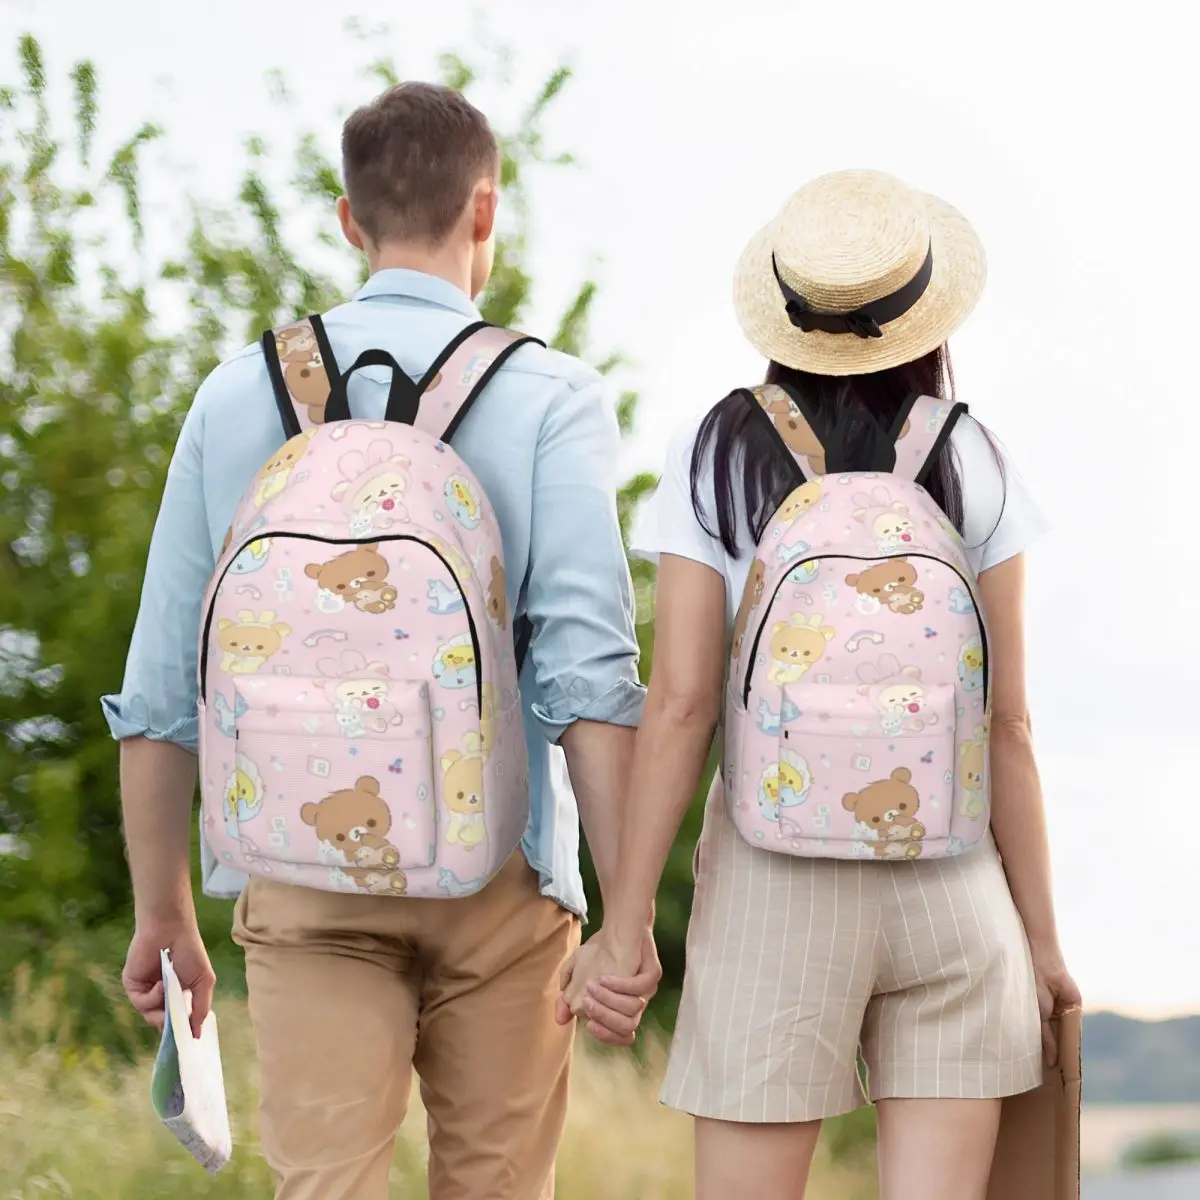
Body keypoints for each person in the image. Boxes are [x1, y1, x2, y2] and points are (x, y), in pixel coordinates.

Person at [105, 81, 661, 1200]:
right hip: (501, 878)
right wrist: (628, 916)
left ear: (349, 220)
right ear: (486, 213)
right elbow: (588, 679)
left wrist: (162, 909)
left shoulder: (235, 394)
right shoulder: (550, 395)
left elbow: (164, 683)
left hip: (300, 878)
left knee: (325, 1186)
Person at [563, 169, 1081, 1200]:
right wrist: (1043, 944)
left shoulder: (716, 452)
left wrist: (624, 926)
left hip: (773, 885)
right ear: (924, 314)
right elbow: (1009, 722)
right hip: (953, 883)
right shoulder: (972, 457)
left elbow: (681, 705)